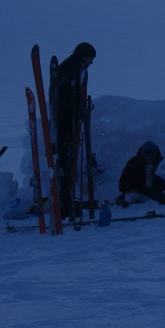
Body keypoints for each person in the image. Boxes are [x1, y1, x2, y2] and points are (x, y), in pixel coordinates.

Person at [56, 42, 96, 217]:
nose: (91, 63)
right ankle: (65, 203)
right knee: (66, 161)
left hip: (70, 120)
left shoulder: (76, 68)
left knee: (70, 160)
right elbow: (64, 95)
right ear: (84, 55)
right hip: (65, 122)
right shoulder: (70, 68)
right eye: (91, 58)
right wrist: (74, 108)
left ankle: (68, 202)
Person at [117, 141, 165, 206]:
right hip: (137, 192)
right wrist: (130, 190)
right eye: (146, 155)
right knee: (125, 199)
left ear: (156, 154)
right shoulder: (133, 163)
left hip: (156, 192)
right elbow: (123, 182)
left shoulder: (163, 163)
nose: (149, 157)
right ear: (141, 154)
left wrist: (157, 174)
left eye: (152, 155)